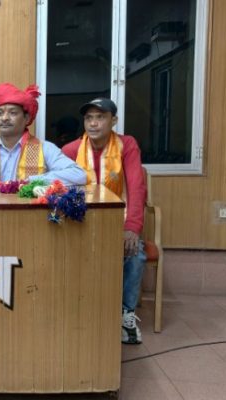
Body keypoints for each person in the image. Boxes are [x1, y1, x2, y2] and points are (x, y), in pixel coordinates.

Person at [61, 98, 147, 345]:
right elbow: (59, 187)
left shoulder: (126, 145)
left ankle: (126, 315)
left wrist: (132, 228)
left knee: (136, 253)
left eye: (100, 117)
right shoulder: (70, 150)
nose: (93, 123)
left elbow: (136, 187)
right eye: (89, 118)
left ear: (113, 121)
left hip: (117, 224)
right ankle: (79, 312)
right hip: (81, 224)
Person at [0, 83, 86, 187]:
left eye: (12, 113)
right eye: (0, 113)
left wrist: (35, 181)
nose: (4, 118)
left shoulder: (45, 149)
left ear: (26, 118)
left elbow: (79, 175)